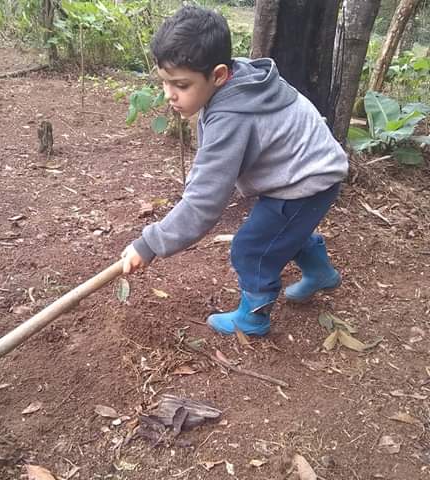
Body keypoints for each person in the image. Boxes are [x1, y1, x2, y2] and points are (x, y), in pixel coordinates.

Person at [120, 5, 348, 336]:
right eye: (165, 83)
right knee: (283, 232)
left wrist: (150, 243)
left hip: (308, 181)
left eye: (180, 85)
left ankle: (254, 318)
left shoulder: (233, 115)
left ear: (218, 75)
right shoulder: (241, 81)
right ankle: (320, 273)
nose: (169, 95)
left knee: (252, 248)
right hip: (308, 169)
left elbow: (204, 202)